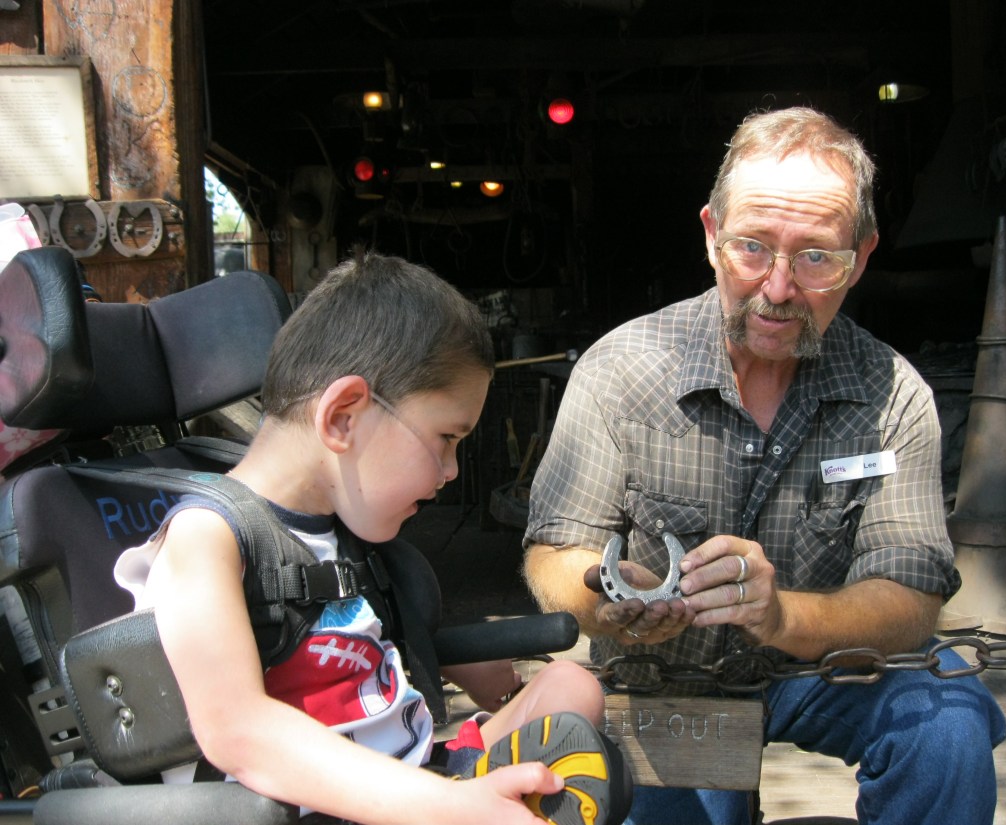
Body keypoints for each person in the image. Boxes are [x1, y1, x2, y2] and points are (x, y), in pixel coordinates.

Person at [522, 107, 1006, 825]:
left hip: (824, 668)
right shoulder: (621, 371)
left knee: (948, 724)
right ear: (712, 236)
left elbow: (909, 600)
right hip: (669, 680)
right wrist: (610, 604)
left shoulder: (893, 393)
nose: (778, 289)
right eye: (753, 247)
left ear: (863, 255)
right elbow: (553, 552)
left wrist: (782, 614)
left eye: (816, 257)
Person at [113, 250, 631, 825]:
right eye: (445, 438)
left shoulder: (347, 535)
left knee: (568, 687)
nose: (452, 469)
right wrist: (449, 809)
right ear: (342, 416)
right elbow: (239, 732)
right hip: (319, 808)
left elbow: (378, 638)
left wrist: (466, 670)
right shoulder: (207, 541)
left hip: (420, 777)